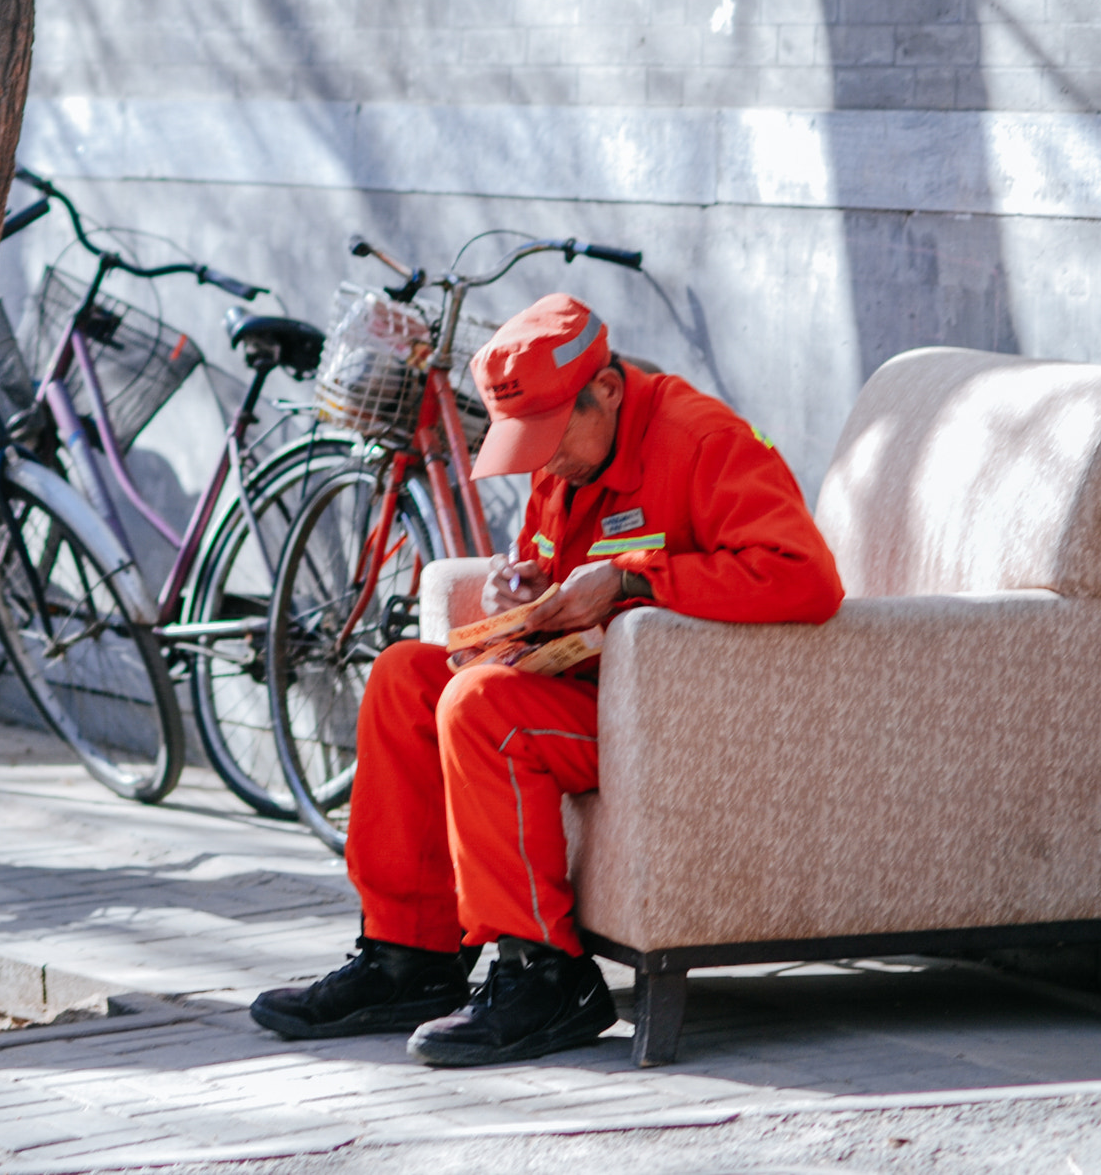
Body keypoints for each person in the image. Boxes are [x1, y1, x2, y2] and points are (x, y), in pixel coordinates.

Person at [249, 293, 844, 1067]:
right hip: (590, 690)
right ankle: (410, 960)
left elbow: (805, 580)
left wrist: (633, 582)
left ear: (608, 389)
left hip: (679, 715)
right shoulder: (569, 457)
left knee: (481, 706)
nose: (543, 460)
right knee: (404, 676)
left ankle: (545, 973)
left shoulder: (704, 441)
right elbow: (553, 564)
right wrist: (520, 589)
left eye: (551, 436)